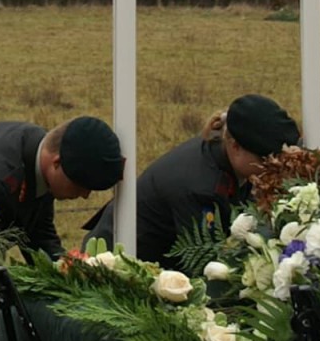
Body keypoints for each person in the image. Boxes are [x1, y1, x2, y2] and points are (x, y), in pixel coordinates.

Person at [85, 94, 300, 268]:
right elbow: (206, 266)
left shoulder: (226, 160)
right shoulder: (200, 188)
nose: (275, 168)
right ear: (235, 147)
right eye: (265, 160)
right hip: (111, 266)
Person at [0, 117, 125, 259]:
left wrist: (67, 272)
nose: (85, 195)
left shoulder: (36, 152)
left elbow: (38, 233)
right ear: (56, 163)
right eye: (80, 185)